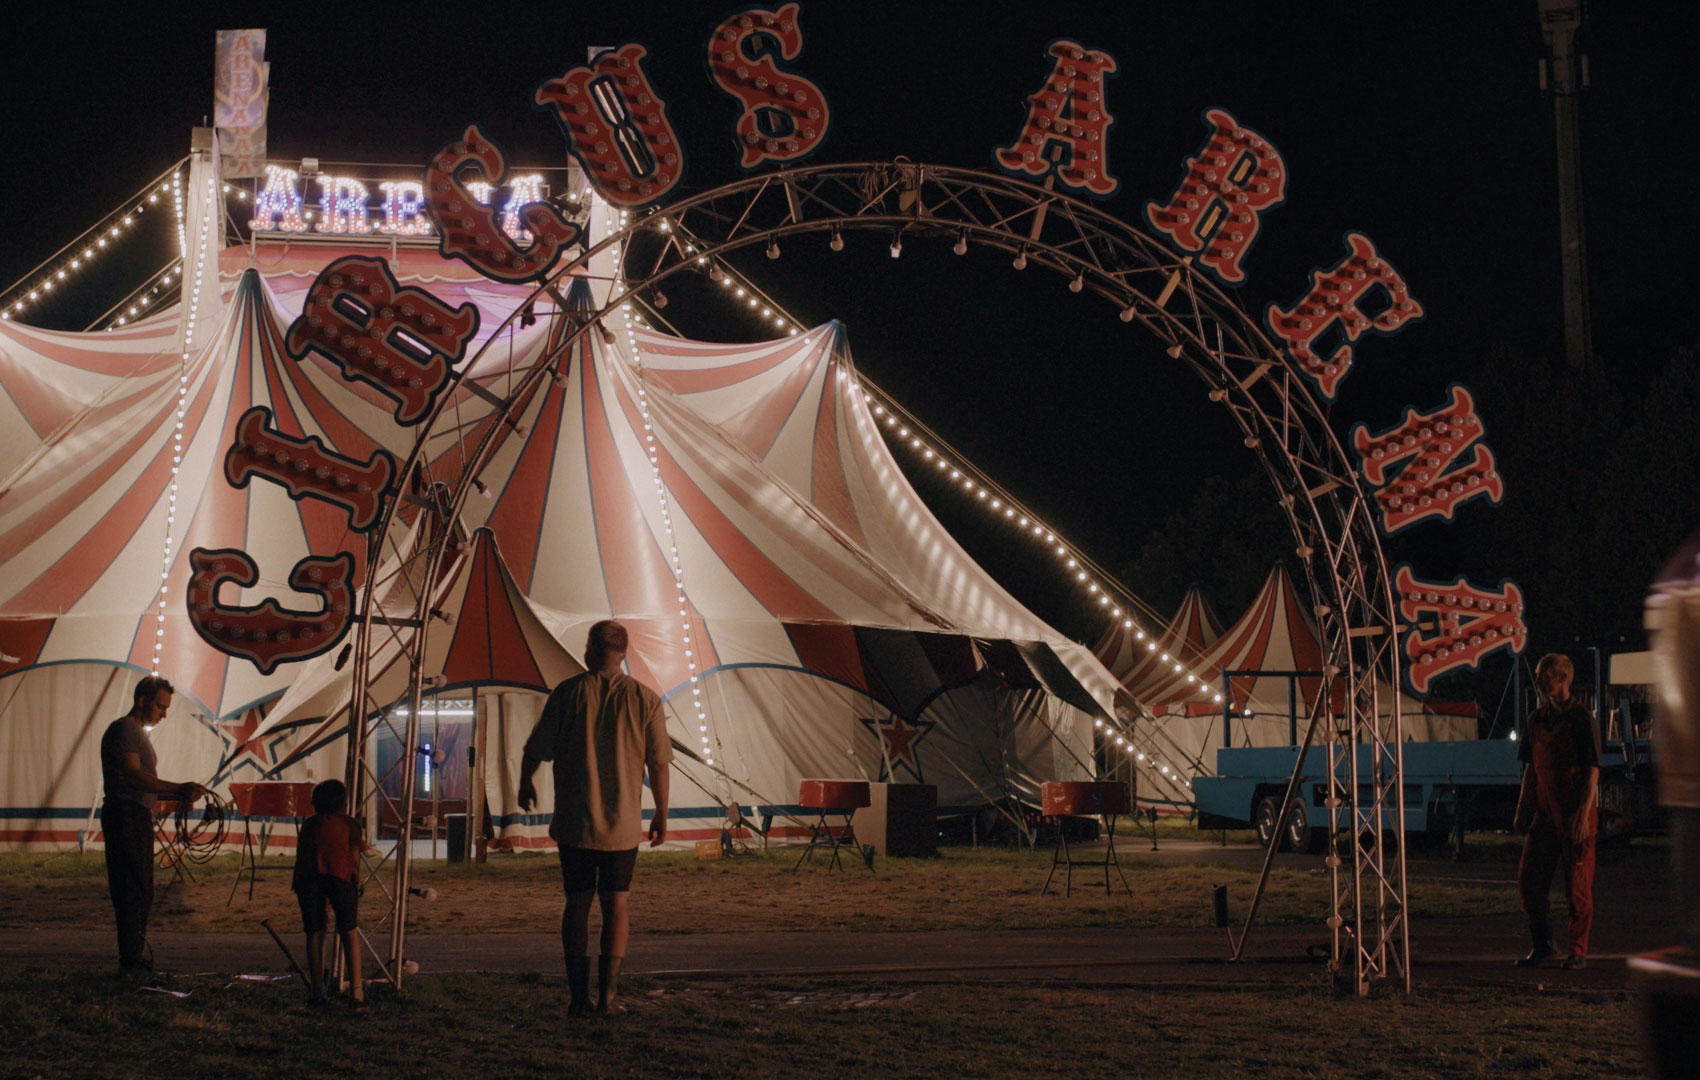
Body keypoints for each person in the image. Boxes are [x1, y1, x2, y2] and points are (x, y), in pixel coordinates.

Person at [518, 620, 672, 1017]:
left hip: (575, 821)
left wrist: (525, 783)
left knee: (577, 903)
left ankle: (577, 998)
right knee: (617, 904)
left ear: (589, 650)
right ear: (625, 651)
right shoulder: (645, 698)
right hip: (622, 824)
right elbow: (659, 763)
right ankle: (608, 996)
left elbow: (536, 748)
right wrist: (662, 813)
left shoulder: (567, 694)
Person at [98, 675, 210, 972]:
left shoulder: (136, 734)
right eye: (160, 706)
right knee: (133, 887)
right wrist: (177, 788)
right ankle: (131, 957)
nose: (164, 713)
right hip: (126, 816)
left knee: (141, 888)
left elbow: (140, 782)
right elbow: (133, 776)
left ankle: (133, 954)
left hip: (134, 814)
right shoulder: (124, 730)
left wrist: (177, 794)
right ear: (142, 701)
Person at [1513, 652, 1600, 970]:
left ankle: (1578, 951)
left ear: (1563, 679)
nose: (1538, 680)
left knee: (1576, 885)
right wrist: (1523, 805)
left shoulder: (1581, 719)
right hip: (1546, 814)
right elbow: (1531, 768)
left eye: (1543, 675)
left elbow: (1593, 771)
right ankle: (1544, 945)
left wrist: (1582, 815)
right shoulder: (1536, 719)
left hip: (1575, 813)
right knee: (1530, 878)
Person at [293, 779, 365, 1008]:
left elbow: (303, 854)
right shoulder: (352, 825)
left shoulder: (309, 825)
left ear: (315, 803)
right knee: (349, 930)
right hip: (341, 876)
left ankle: (317, 990)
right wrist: (357, 880)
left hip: (309, 877)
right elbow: (354, 855)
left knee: (315, 931)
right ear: (344, 803)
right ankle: (356, 991)